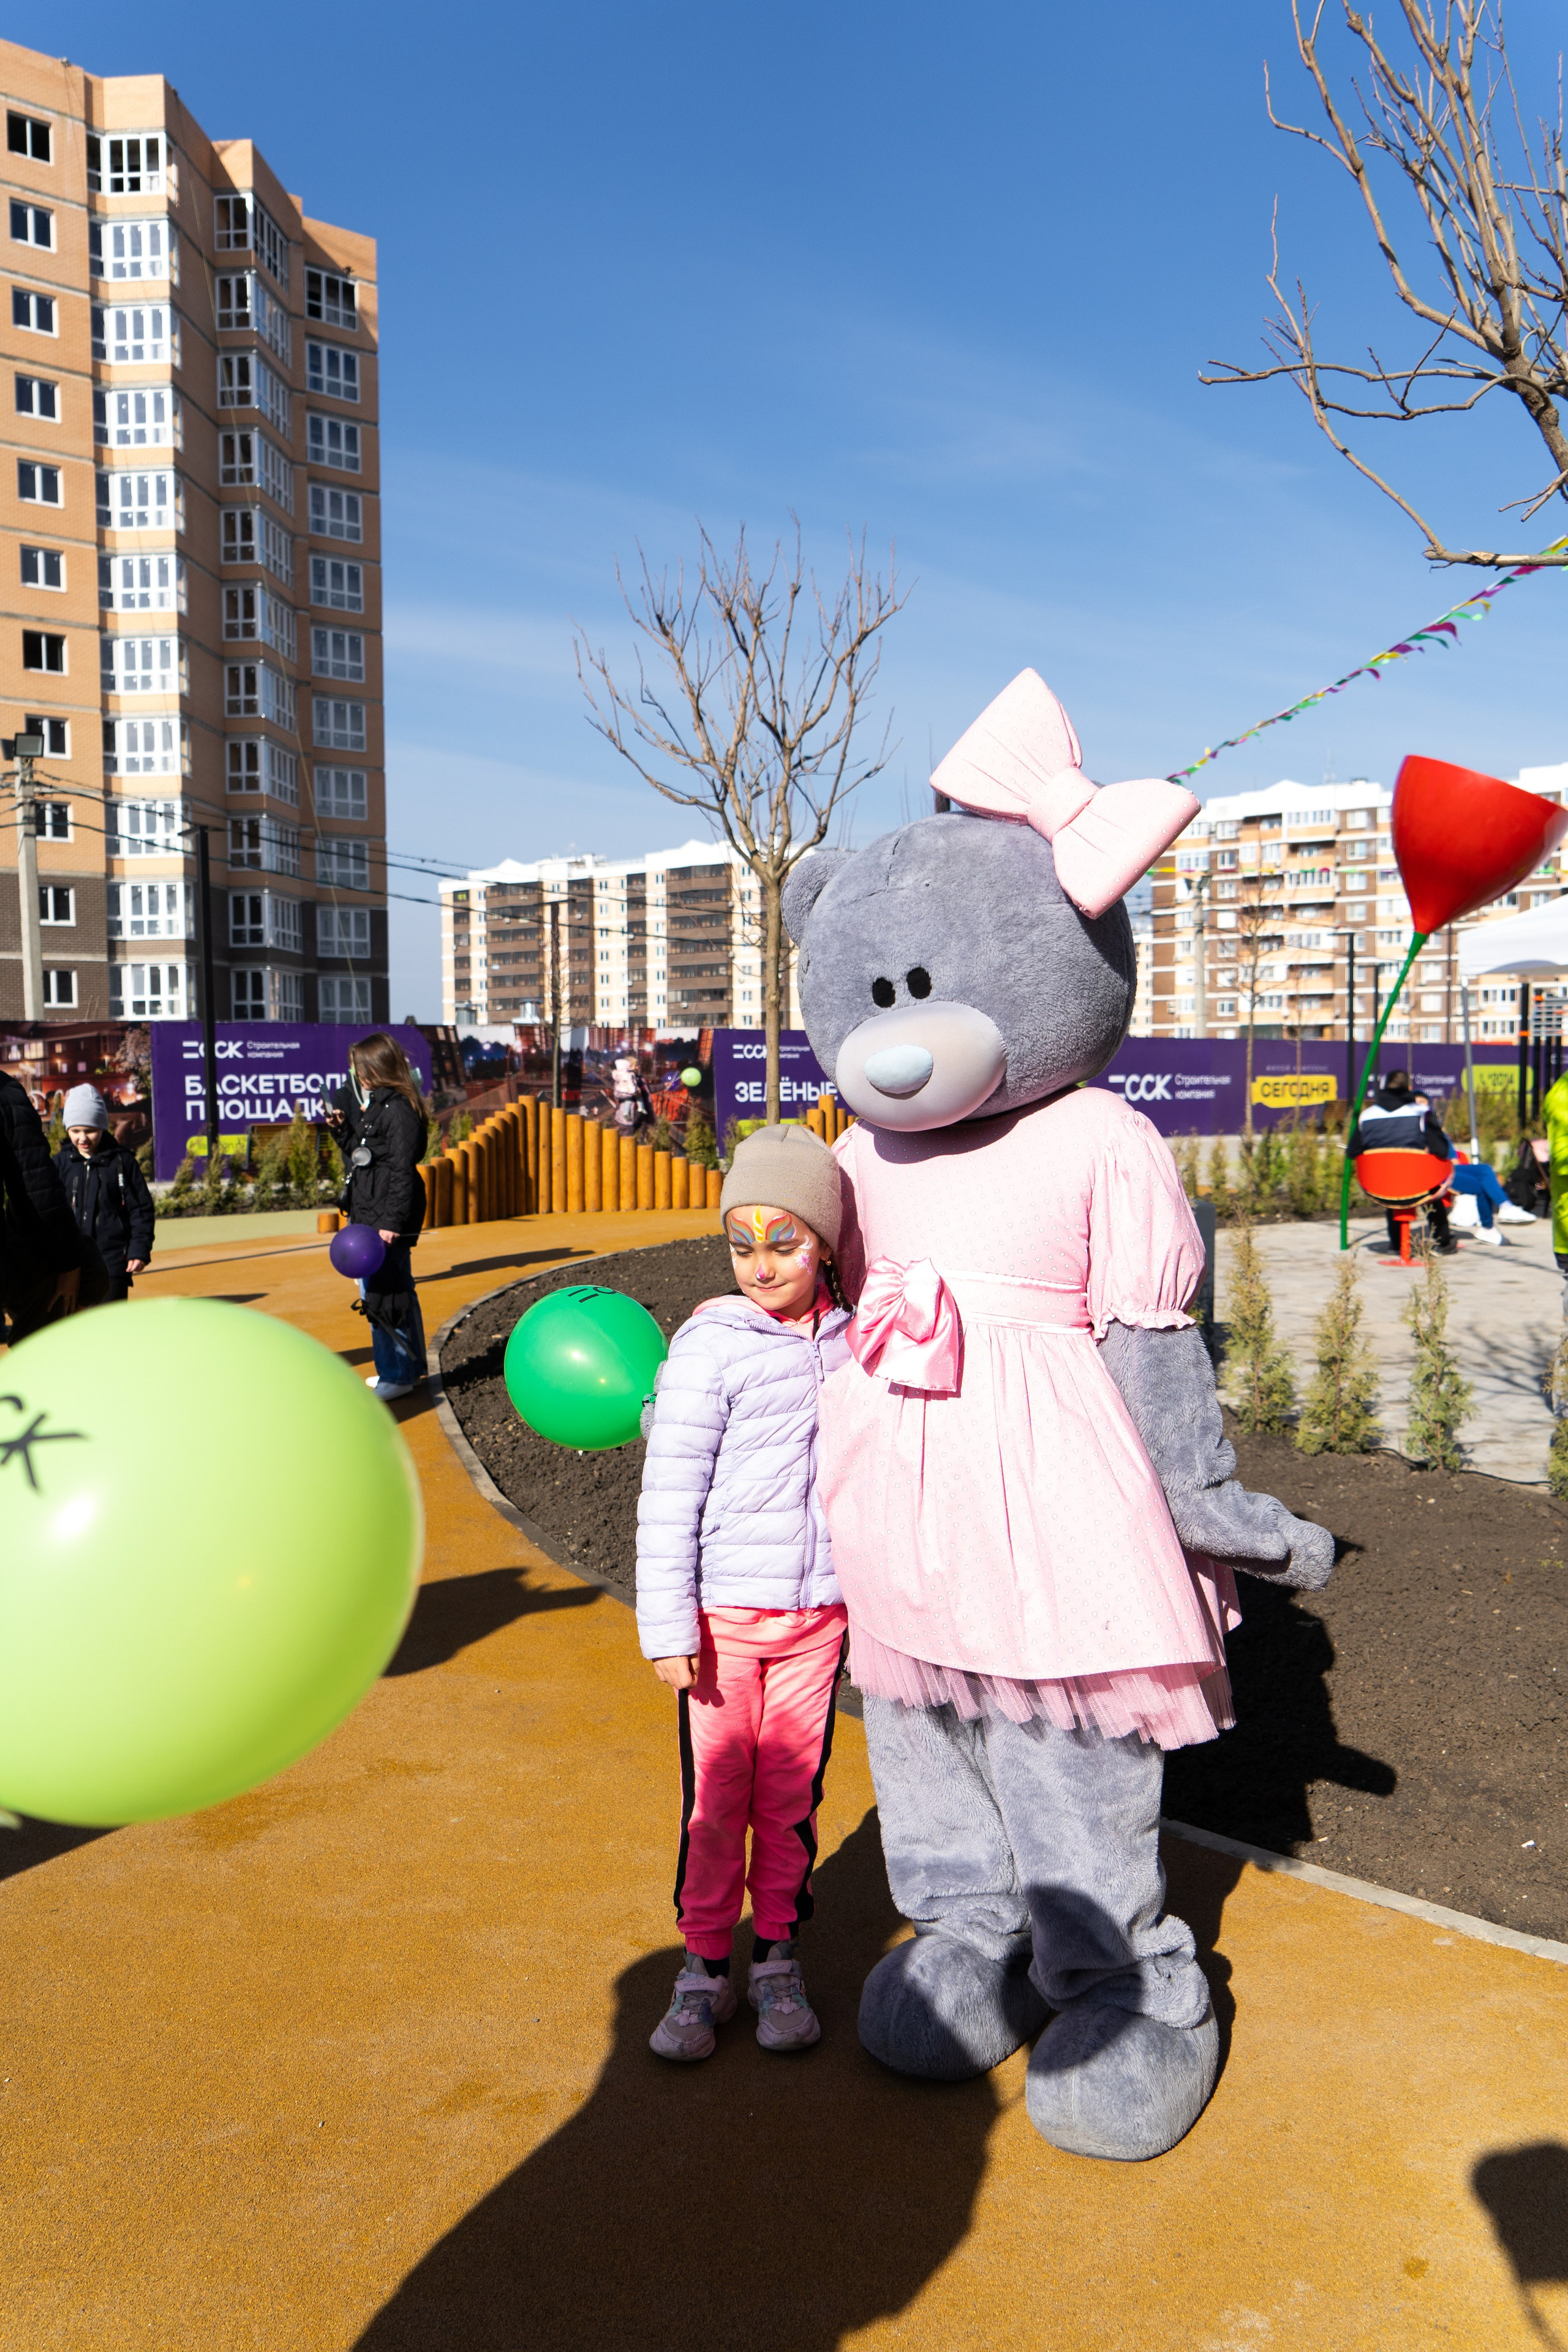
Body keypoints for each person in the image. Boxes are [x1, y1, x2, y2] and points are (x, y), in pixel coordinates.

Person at [635, 1123, 851, 2063]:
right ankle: (702, 1965)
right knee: (716, 1802)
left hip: (818, 1621)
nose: (760, 1266)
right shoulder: (709, 1350)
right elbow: (668, 1495)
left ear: (826, 1244)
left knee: (790, 1799)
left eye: (785, 1242)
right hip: (723, 1627)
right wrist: (666, 1625)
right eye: (741, 1244)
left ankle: (775, 1957)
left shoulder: (854, 1345)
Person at [327, 1034, 428, 1401]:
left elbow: (402, 1171)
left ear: (377, 1067)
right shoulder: (380, 1107)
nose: (356, 1073)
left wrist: (391, 1224)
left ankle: (397, 1374)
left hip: (385, 1217)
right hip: (372, 1210)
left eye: (361, 1066)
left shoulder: (399, 1109)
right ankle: (408, 1368)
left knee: (383, 1294)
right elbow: (366, 1157)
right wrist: (342, 1131)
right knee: (395, 1289)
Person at [1, 1068, 108, 1342]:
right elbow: (37, 1191)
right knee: (89, 1268)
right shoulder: (4, 1094)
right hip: (36, 1260)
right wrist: (71, 1262)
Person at [53, 1085, 154, 1301]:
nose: (83, 1138)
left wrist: (139, 1249)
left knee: (110, 1325)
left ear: (102, 1127)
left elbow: (141, 1209)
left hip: (113, 1260)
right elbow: (49, 1208)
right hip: (68, 1261)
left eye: (90, 1130)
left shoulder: (122, 1161)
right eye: (75, 1131)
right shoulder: (59, 1164)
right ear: (67, 1129)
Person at [1348, 1069, 1458, 1253]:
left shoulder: (1367, 1115)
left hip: (1378, 1188)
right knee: (1428, 1187)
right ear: (1408, 1088)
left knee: (1391, 1184)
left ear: (1383, 1088)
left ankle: (1396, 1242)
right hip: (1419, 1186)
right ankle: (1443, 1240)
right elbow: (1442, 1150)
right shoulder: (1421, 1113)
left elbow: (1353, 1152)